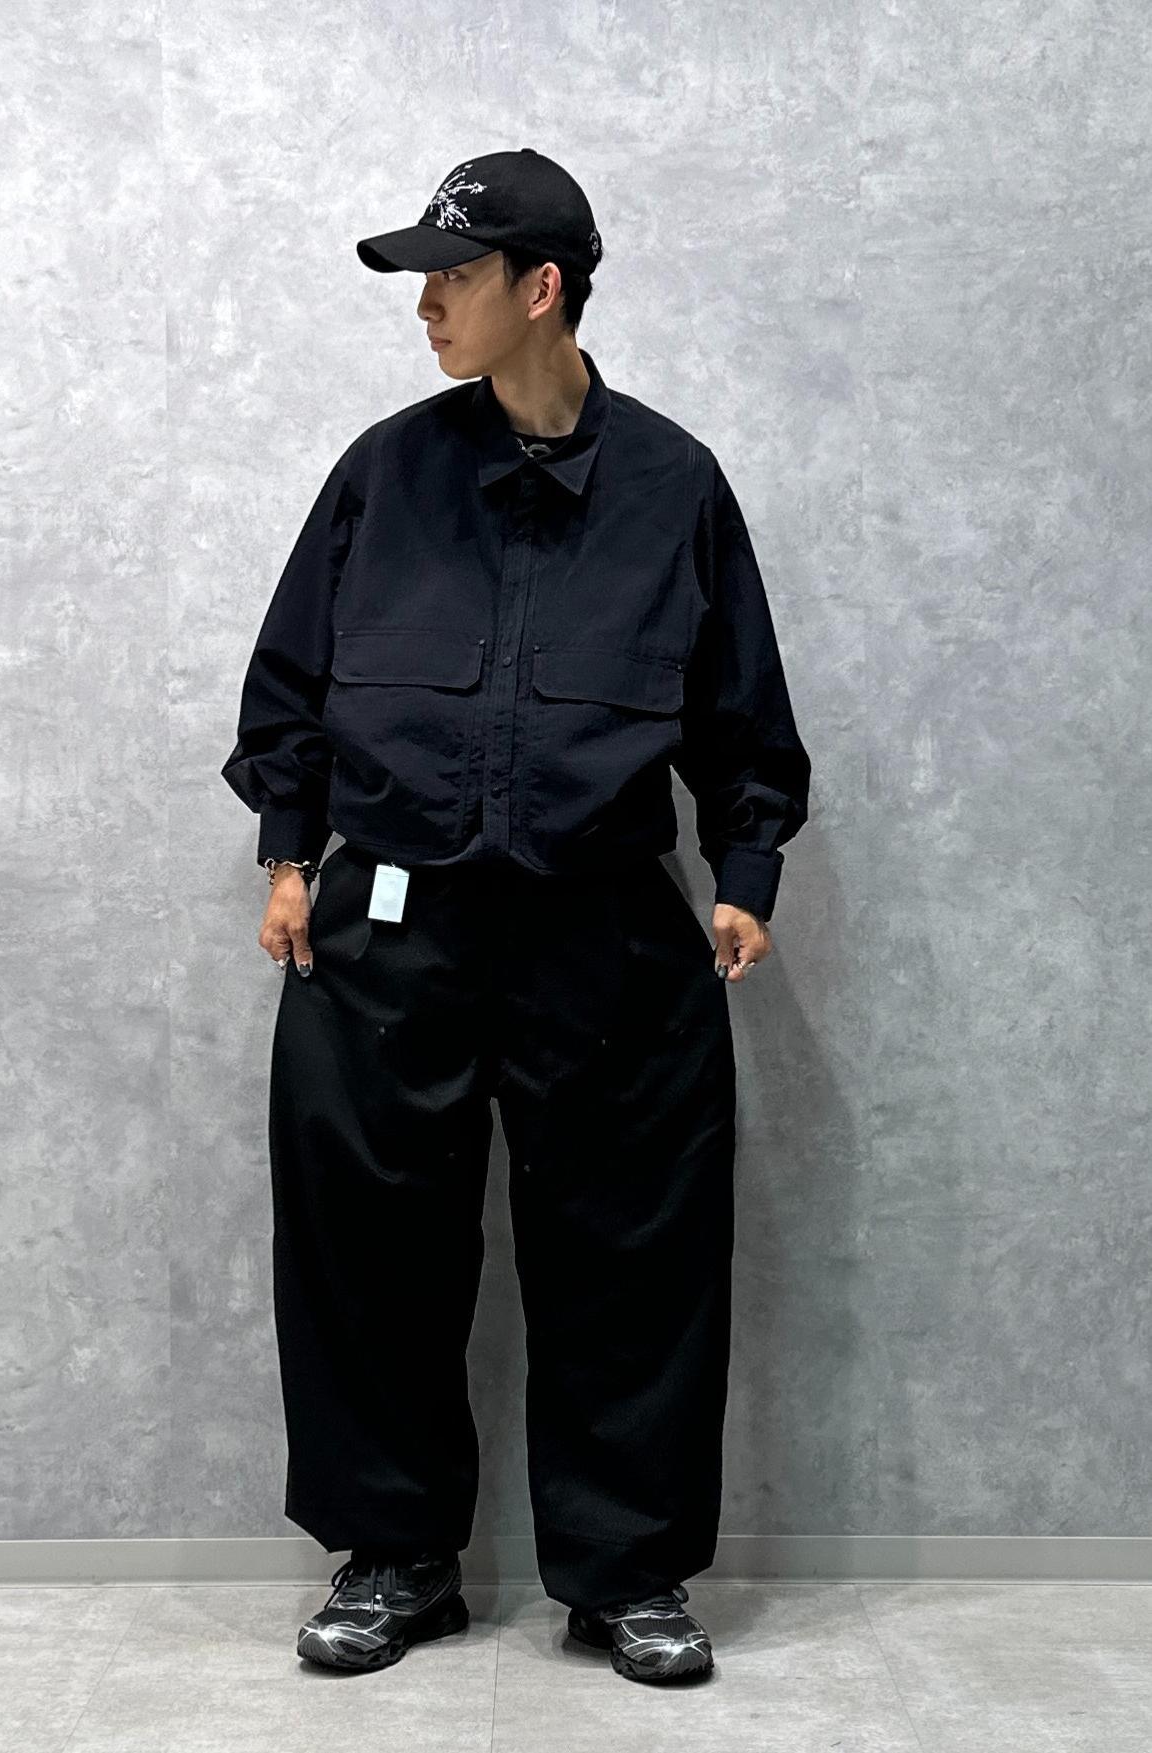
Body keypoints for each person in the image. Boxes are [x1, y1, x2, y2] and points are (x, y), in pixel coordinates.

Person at [220, 147, 811, 1686]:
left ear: (541, 288)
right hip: (386, 929)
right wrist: (287, 853)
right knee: (368, 1250)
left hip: (603, 934)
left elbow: (742, 711)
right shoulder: (383, 473)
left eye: (453, 277)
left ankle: (627, 1573)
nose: (425, 306)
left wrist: (744, 872)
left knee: (632, 1255)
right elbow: (293, 681)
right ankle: (395, 1556)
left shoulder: (674, 486)